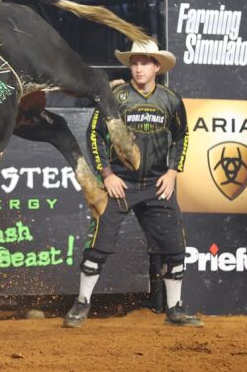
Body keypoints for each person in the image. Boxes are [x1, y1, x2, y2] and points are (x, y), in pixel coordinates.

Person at [62, 39, 203, 328]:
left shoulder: (171, 99)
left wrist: (172, 172)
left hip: (157, 184)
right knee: (98, 244)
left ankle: (175, 308)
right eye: (134, 63)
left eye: (145, 63)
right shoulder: (115, 96)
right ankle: (82, 303)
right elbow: (95, 134)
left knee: (174, 246)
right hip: (120, 184)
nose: (138, 69)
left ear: (157, 67)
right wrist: (107, 174)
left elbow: (182, 137)